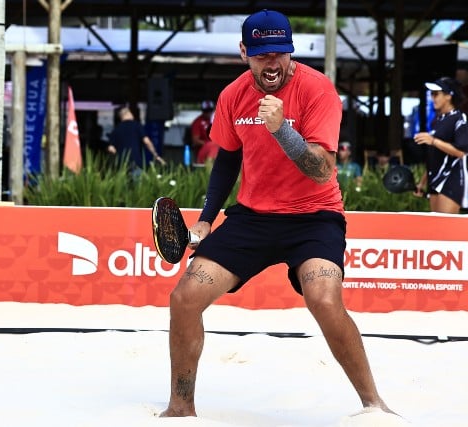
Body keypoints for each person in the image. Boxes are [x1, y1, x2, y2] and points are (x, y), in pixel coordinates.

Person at [160, 9, 394, 419]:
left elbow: (322, 169)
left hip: (315, 215)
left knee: (323, 299)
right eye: (262, 54)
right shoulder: (232, 95)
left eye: (280, 53)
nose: (272, 63)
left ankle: (374, 405)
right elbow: (227, 160)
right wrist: (206, 218)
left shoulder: (318, 91)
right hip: (253, 217)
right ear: (244, 52)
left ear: (290, 50)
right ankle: (181, 408)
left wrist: (282, 128)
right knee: (183, 299)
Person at [413, 77, 468, 214]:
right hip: (435, 180)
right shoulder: (437, 121)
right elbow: (435, 157)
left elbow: (461, 152)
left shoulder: (459, 118)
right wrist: (422, 182)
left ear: (448, 96)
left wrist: (433, 141)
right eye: (432, 94)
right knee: (436, 229)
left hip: (451, 179)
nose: (433, 98)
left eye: (436, 94)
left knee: (446, 228)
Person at [107, 106, 166, 177]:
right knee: (138, 186)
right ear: (128, 113)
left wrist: (118, 156)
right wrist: (156, 155)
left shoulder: (116, 129)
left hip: (122, 165)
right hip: (136, 163)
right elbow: (147, 141)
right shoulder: (137, 126)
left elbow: (111, 149)